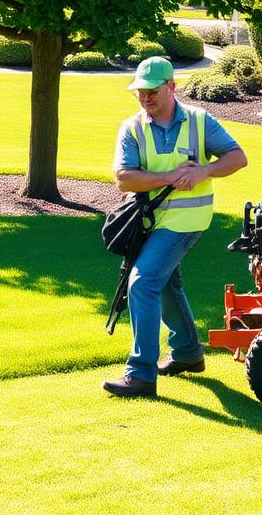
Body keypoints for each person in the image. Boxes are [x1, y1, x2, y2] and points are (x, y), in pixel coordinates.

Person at [102, 56, 248, 398]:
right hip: (151, 221)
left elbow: (237, 157)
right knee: (164, 283)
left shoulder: (199, 121)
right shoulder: (132, 128)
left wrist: (203, 171)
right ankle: (187, 353)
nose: (145, 98)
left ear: (172, 87)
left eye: (152, 91)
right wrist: (170, 177)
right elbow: (124, 179)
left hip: (188, 219)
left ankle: (141, 374)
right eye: (140, 92)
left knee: (142, 282)